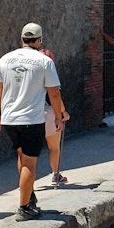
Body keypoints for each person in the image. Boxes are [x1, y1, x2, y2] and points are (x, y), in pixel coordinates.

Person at [0, 23, 65, 221]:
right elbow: (54, 93)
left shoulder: (4, 59)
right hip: (31, 119)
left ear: (21, 39)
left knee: (22, 158)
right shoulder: (44, 61)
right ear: (39, 40)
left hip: (9, 119)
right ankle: (24, 207)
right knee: (30, 163)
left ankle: (28, 194)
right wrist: (59, 117)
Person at [40, 49, 71, 184]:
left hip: (30, 113)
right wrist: (63, 113)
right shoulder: (50, 75)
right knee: (54, 147)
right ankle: (56, 175)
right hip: (49, 113)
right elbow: (55, 97)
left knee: (29, 151)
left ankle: (27, 181)